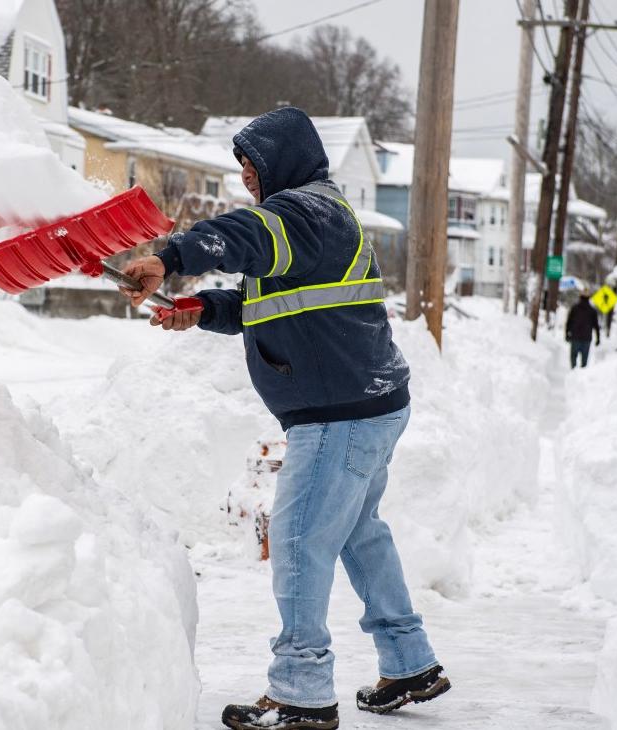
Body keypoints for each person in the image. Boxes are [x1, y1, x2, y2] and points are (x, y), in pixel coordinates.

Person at [120, 107, 449, 729]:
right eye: (241, 165)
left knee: (298, 540)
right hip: (369, 403)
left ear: (282, 162)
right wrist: (203, 308)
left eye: (252, 164)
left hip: (339, 415)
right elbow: (269, 302)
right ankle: (409, 661)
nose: (246, 176)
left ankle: (302, 690)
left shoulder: (303, 213)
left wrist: (173, 256)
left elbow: (244, 235)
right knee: (357, 533)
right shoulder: (312, 220)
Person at [565, 290, 600, 368]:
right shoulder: (592, 311)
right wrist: (598, 338)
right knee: (584, 361)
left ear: (580, 297)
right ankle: (582, 373)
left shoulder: (574, 308)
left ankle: (573, 371)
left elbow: (568, 322)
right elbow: (596, 326)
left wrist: (566, 334)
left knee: (573, 357)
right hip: (586, 338)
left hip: (575, 337)